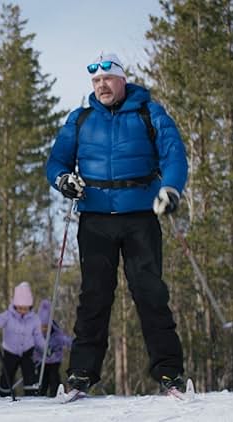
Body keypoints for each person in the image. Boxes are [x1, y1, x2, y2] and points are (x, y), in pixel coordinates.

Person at [45, 52, 189, 395]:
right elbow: (56, 161)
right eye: (96, 81)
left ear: (122, 80)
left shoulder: (149, 113)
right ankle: (82, 373)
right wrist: (64, 179)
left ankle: (170, 372)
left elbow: (174, 154)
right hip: (95, 219)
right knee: (94, 296)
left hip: (141, 214)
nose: (101, 86)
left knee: (150, 292)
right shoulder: (79, 119)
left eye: (107, 79)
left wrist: (170, 189)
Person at [0, 282, 45, 397]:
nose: (22, 311)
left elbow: (38, 336)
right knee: (7, 374)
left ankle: (31, 394)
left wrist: (44, 348)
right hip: (10, 351)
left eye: (25, 308)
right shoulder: (8, 315)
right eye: (20, 308)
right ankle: (3, 395)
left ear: (30, 307)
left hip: (27, 351)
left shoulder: (35, 319)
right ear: (15, 305)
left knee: (29, 373)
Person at [32, 299, 72, 397]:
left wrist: (74, 344)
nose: (44, 329)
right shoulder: (35, 334)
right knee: (43, 379)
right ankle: (40, 394)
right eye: (42, 327)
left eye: (46, 327)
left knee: (54, 377)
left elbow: (64, 339)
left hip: (54, 360)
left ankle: (55, 394)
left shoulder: (55, 333)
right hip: (41, 361)